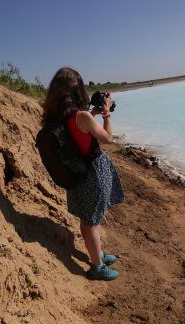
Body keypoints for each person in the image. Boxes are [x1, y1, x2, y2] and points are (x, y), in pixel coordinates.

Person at [42, 67, 125, 281]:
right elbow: (107, 138)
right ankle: (97, 266)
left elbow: (77, 131)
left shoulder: (60, 118)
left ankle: (97, 254)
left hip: (78, 173)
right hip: (93, 173)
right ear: (77, 90)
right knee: (92, 221)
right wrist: (106, 113)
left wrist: (93, 114)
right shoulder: (83, 116)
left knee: (87, 218)